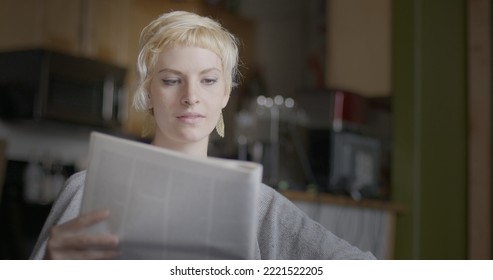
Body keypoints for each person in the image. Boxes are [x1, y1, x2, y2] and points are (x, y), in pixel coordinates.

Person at [30, 11, 376, 260]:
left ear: (226, 93)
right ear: (149, 93)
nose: (191, 95)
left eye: (208, 80)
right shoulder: (87, 189)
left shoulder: (260, 204)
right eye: (170, 80)